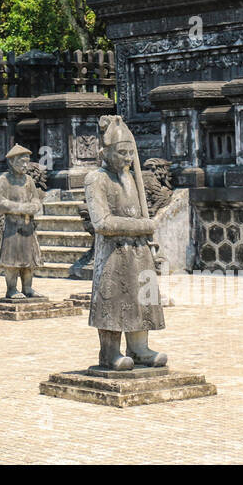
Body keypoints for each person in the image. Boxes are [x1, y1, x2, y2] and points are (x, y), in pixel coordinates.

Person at [85, 115, 166, 370]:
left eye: (130, 153)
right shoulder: (96, 179)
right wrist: (143, 226)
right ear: (105, 153)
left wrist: (144, 230)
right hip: (113, 253)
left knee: (143, 300)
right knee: (113, 300)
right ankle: (109, 352)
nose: (127, 158)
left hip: (138, 251)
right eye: (121, 152)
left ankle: (139, 347)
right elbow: (102, 222)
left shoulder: (131, 178)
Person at [0, 144, 44, 299]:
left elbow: (36, 199)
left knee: (29, 260)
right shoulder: (4, 180)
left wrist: (34, 206)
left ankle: (28, 288)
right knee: (12, 260)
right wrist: (20, 207)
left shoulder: (28, 180)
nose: (25, 165)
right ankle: (11, 289)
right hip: (13, 226)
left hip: (28, 226)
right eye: (22, 162)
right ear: (12, 163)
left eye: (27, 162)